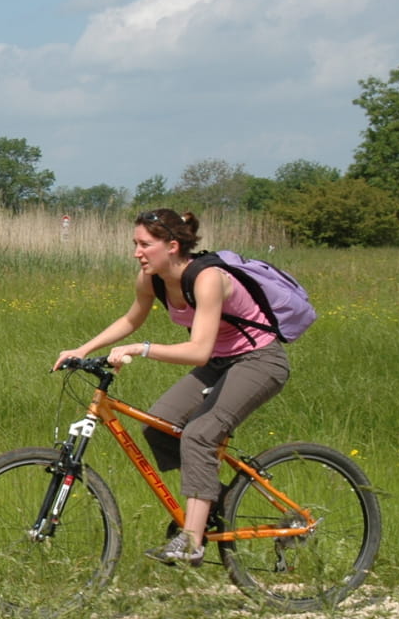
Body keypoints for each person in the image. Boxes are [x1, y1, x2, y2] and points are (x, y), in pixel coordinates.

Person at [53, 208, 290, 566]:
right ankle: (216, 505)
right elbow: (133, 318)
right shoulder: (151, 279)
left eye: (145, 245)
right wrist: (83, 349)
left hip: (259, 361)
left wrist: (142, 349)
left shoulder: (207, 278)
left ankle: (192, 542)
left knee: (199, 434)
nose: (137, 252)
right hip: (220, 362)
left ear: (173, 246)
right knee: (159, 427)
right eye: (135, 244)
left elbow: (198, 351)